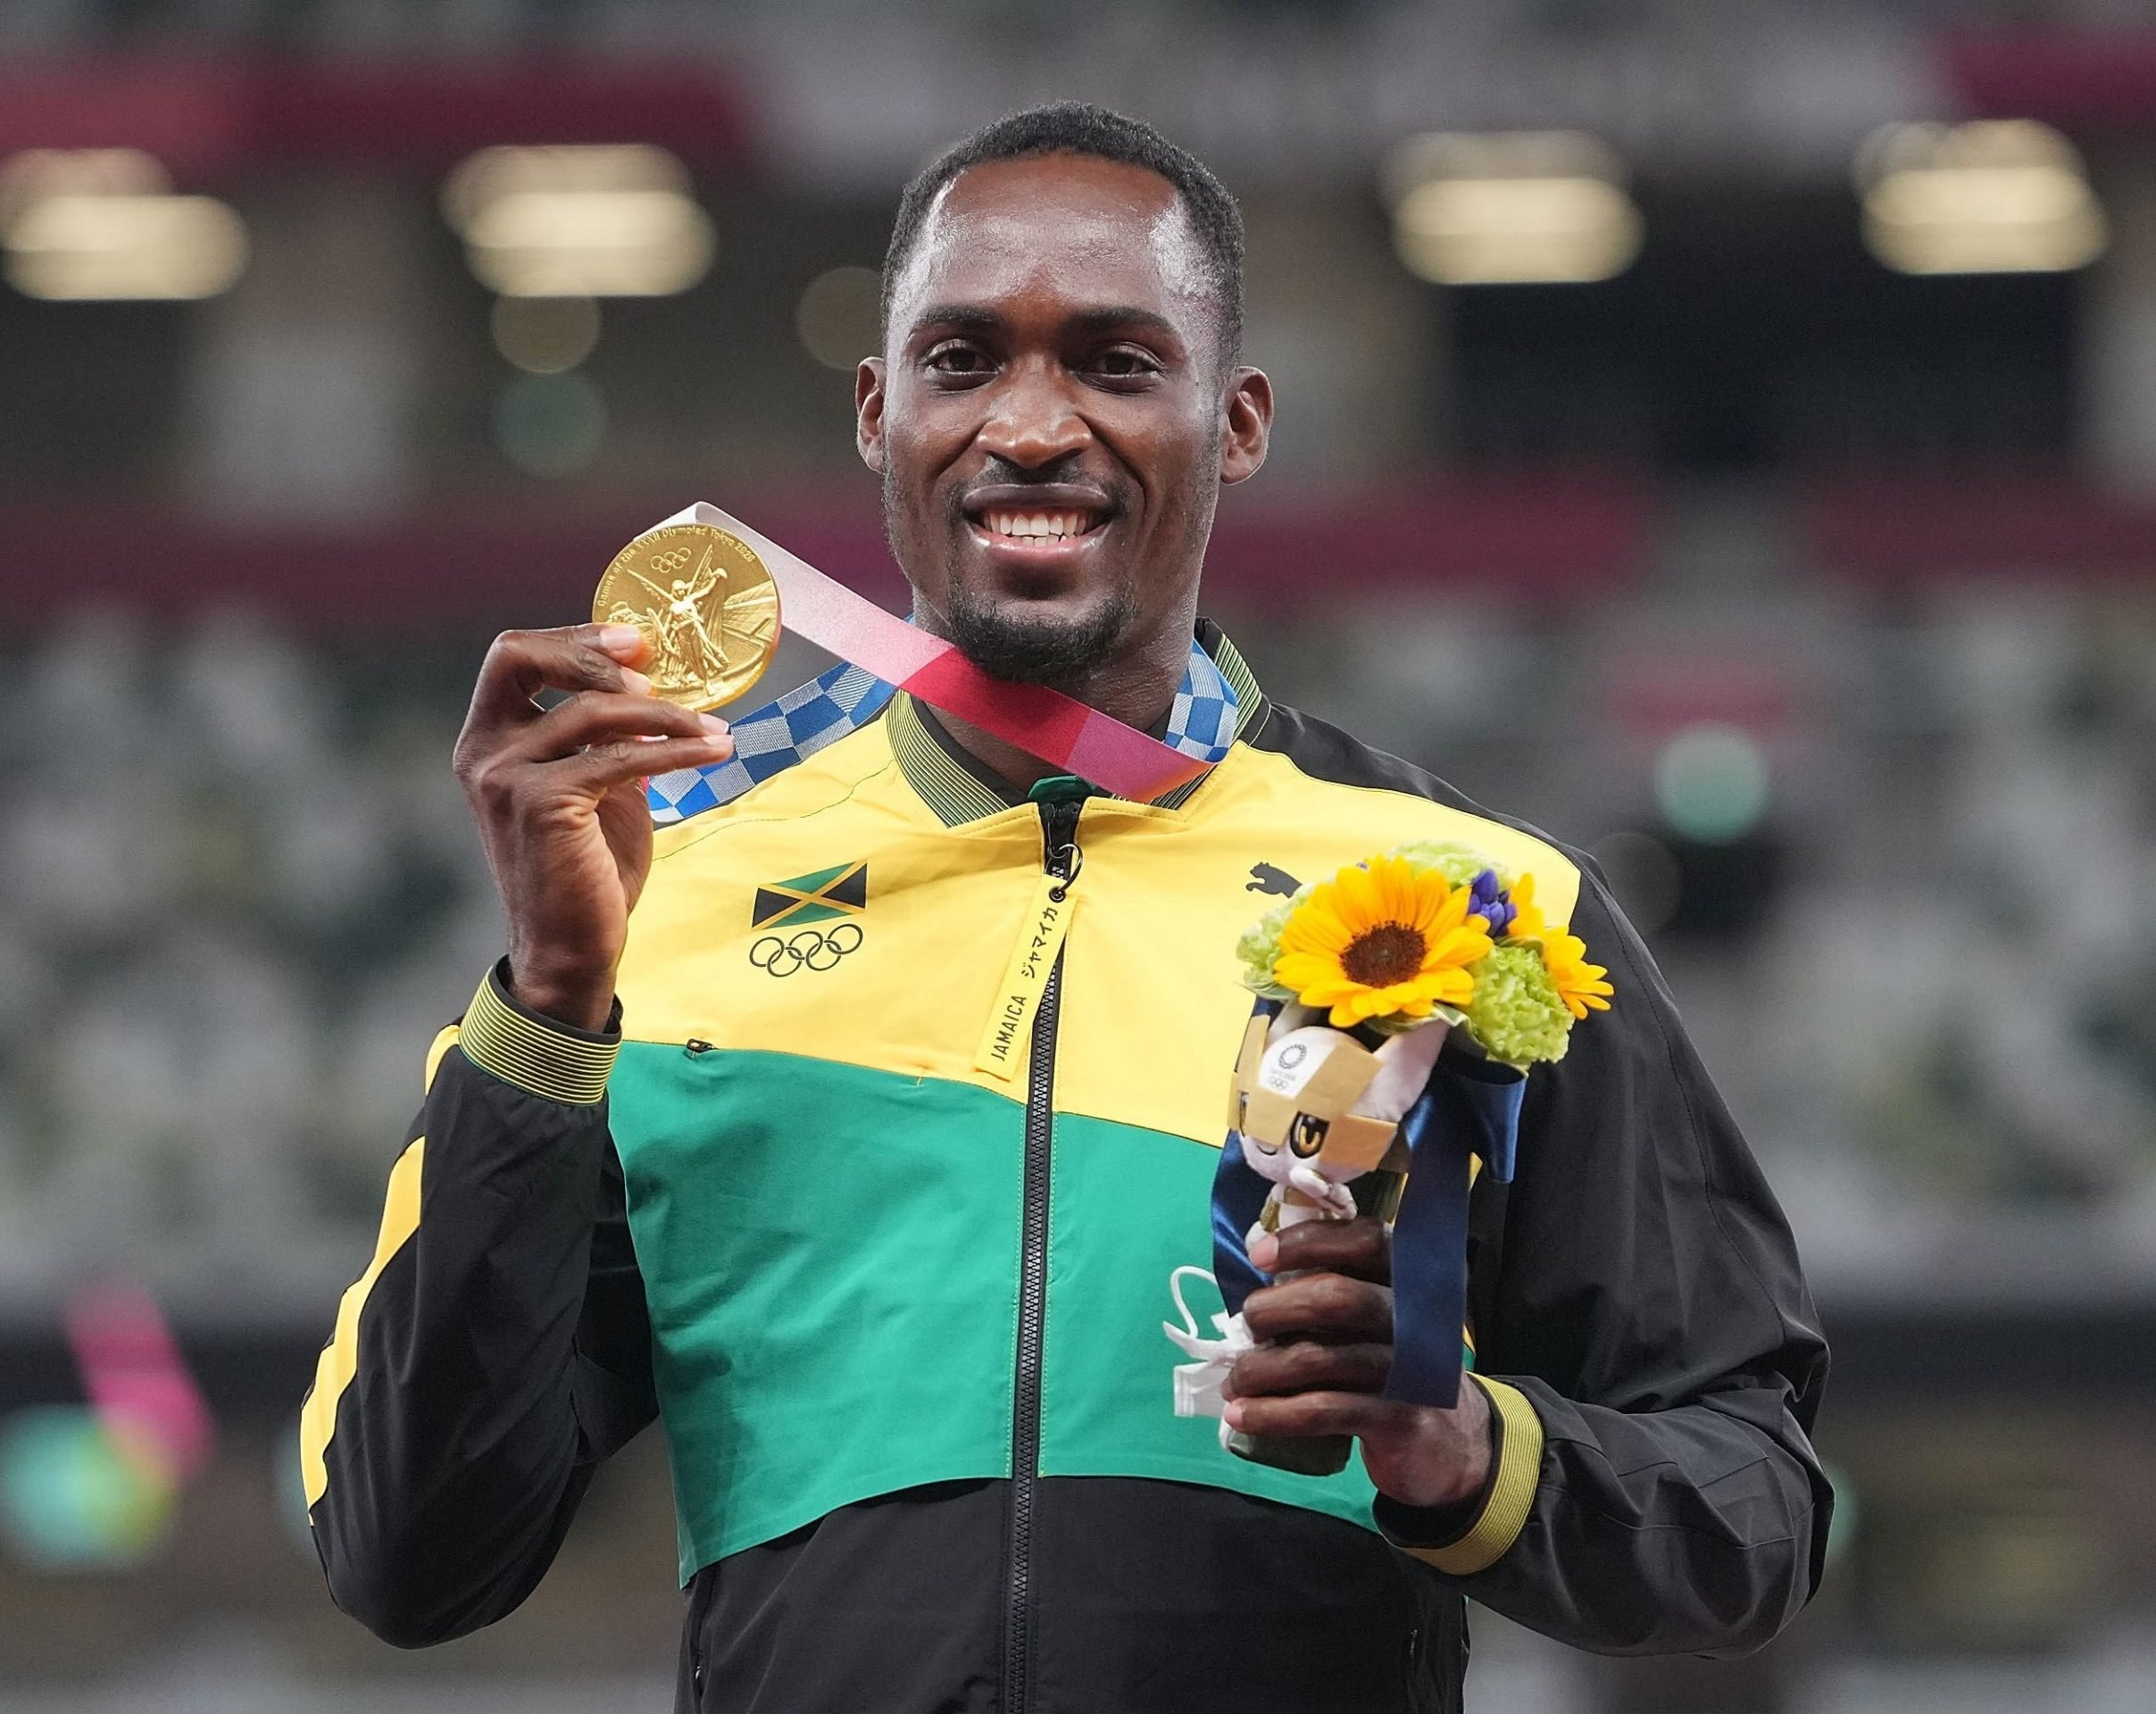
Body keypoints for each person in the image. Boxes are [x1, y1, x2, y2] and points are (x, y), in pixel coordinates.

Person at [299, 104, 1830, 1713]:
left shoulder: (1481, 902)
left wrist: (1458, 1447)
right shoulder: (662, 905)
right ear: (881, 415)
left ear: (1234, 422)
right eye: (965, 362)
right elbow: (409, 1555)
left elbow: (1753, 1497)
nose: (1031, 426)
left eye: (1114, 361)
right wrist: (547, 1006)